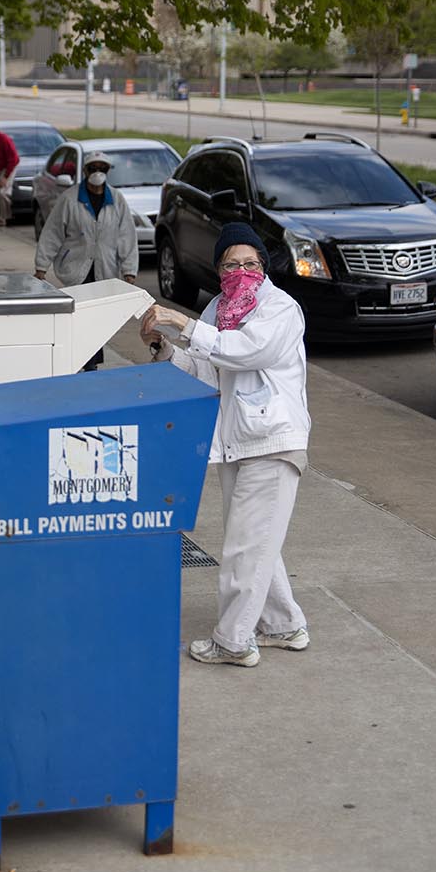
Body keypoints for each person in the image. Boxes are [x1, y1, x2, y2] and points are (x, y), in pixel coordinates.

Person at [140, 223, 311, 667]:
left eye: (250, 263)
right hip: (238, 442)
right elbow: (202, 368)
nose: (241, 271)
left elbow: (250, 351)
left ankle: (234, 640)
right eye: (231, 264)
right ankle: (282, 625)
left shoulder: (280, 308)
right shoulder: (220, 309)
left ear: (264, 266)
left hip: (272, 441)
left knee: (243, 547)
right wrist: (165, 347)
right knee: (256, 542)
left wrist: (184, 322)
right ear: (218, 270)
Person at [34, 150, 139, 370]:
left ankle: (91, 362)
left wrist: (129, 270)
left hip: (105, 269)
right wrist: (41, 266)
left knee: (97, 319)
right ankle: (82, 361)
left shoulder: (116, 200)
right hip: (76, 268)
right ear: (85, 171)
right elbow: (52, 232)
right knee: (79, 316)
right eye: (93, 168)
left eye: (102, 168)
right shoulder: (70, 199)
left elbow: (126, 234)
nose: (97, 173)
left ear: (107, 172)